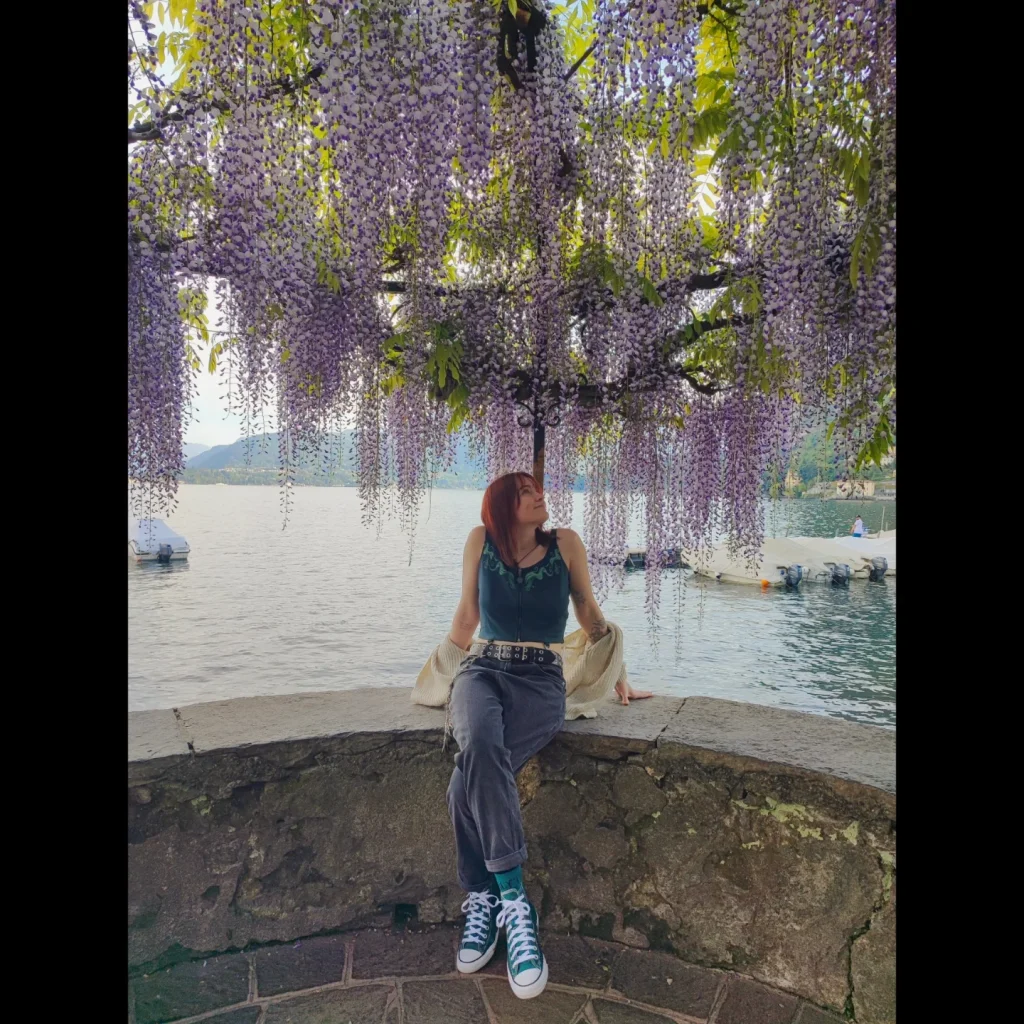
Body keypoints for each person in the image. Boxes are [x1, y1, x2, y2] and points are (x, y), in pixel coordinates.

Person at [445, 472, 651, 999]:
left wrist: (614, 667)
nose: (540, 495)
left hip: (539, 680)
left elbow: (587, 614)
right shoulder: (479, 541)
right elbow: (467, 618)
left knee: (467, 776)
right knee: (483, 749)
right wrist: (436, 669)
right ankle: (513, 902)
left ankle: (482, 896)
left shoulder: (566, 543)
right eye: (525, 492)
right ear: (502, 506)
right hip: (482, 670)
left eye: (538, 490)